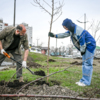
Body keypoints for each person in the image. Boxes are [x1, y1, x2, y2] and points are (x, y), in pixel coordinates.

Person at [48, 18, 96, 86]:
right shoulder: (72, 30)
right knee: (84, 63)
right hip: (85, 46)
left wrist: (82, 50)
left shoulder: (78, 30)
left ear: (68, 25)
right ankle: (83, 80)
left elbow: (82, 42)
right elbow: (64, 34)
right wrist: (54, 35)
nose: (65, 29)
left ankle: (86, 82)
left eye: (65, 27)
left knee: (87, 64)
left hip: (89, 45)